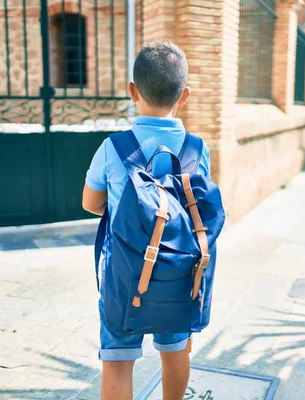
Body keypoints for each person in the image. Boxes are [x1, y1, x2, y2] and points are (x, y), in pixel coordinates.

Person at [82, 39, 211, 400]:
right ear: (183, 95)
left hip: (124, 274)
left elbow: (91, 203)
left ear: (132, 91)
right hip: (180, 271)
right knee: (176, 350)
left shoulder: (113, 147)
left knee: (118, 361)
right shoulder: (198, 149)